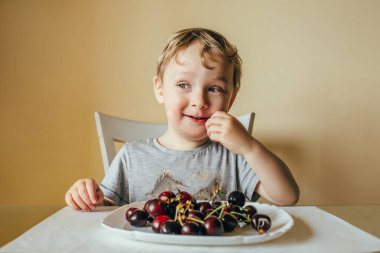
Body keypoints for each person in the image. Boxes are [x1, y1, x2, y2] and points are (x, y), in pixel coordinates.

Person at [65, 28, 299, 211]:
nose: (199, 100)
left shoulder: (235, 156)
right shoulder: (131, 156)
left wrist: (249, 146)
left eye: (215, 88)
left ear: (231, 99)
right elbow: (106, 210)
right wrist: (88, 198)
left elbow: (287, 197)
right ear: (160, 89)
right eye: (184, 85)